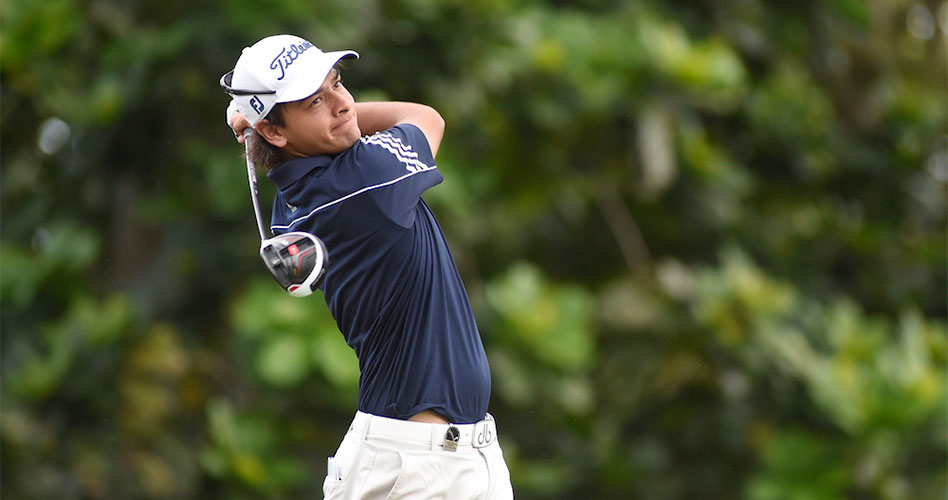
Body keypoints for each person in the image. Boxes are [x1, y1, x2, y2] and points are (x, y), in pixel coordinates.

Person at [220, 34, 514, 499]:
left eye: (338, 84)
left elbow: (329, 130)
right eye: (316, 100)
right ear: (276, 132)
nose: (342, 104)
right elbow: (424, 117)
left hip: (447, 459)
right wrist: (257, 122)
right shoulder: (367, 181)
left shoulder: (296, 198)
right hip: (417, 469)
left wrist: (263, 124)